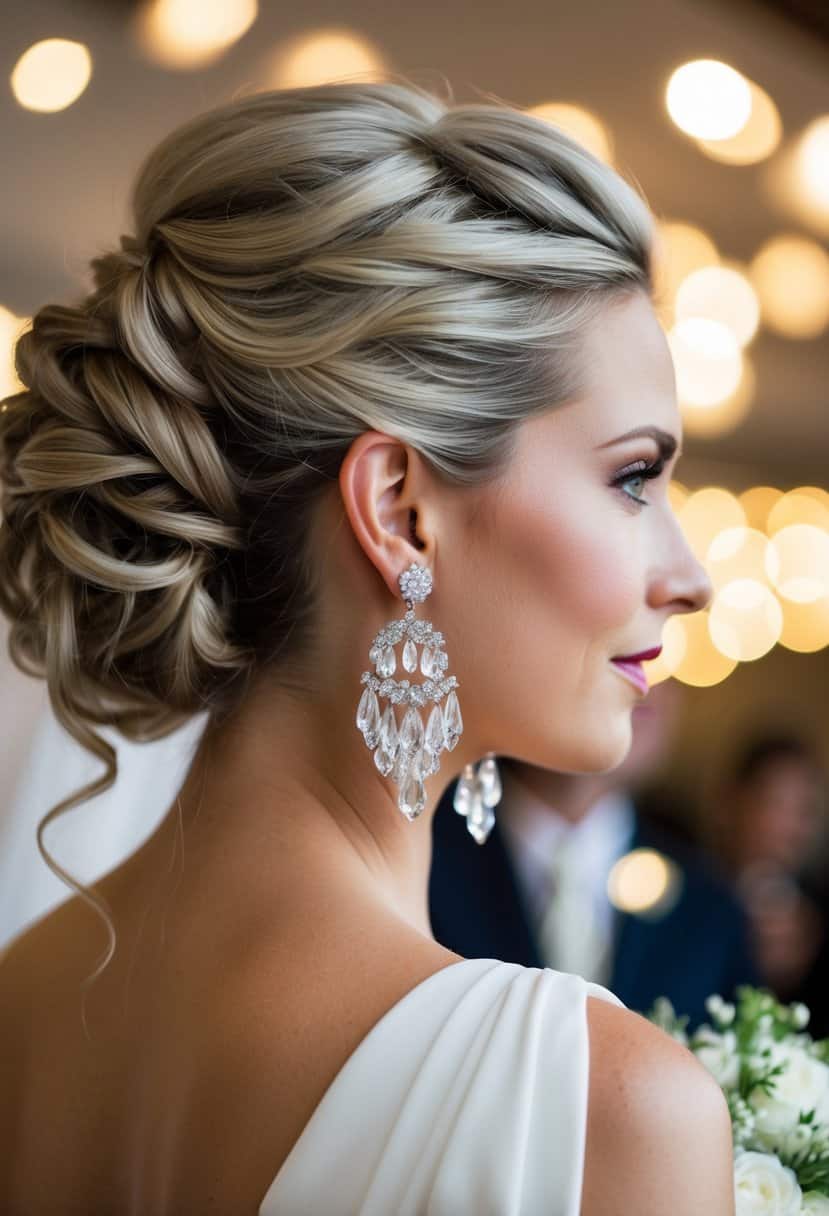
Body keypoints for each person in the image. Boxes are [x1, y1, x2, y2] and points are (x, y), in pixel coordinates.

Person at [0, 78, 735, 1214]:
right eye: (632, 476)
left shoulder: (23, 1000)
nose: (690, 578)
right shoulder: (602, 1108)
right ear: (397, 508)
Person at [430, 678, 765, 1033]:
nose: (647, 678)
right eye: (617, 650)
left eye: (668, 655)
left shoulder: (711, 909)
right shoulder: (419, 869)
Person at [711, 731, 829, 1034]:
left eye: (804, 811)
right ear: (733, 802)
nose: (790, 828)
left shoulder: (818, 917)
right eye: (775, 803)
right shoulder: (696, 892)